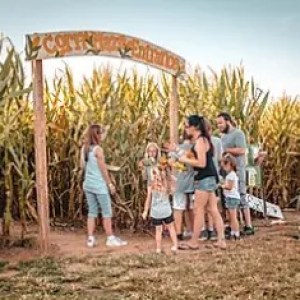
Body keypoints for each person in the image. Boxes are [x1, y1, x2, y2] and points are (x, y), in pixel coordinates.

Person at [178, 115, 226, 250]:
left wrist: (184, 160)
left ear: (194, 127)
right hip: (210, 177)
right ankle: (221, 240)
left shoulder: (200, 141)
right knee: (212, 209)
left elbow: (201, 162)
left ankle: (194, 241)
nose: (186, 129)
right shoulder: (204, 140)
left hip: (204, 178)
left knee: (198, 210)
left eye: (187, 126)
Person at [81, 124, 127, 248]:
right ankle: (110, 238)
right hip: (99, 186)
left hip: (88, 184)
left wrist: (106, 129)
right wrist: (110, 184)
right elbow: (103, 169)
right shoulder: (98, 150)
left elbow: (83, 167)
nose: (102, 136)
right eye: (100, 133)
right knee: (107, 212)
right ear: (97, 135)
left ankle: (90, 239)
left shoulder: (85, 149)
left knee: (92, 212)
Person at [216, 112, 254, 235]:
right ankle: (232, 224)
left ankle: (248, 225)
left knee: (241, 195)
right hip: (225, 172)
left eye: (221, 123)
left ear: (228, 121)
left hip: (237, 171)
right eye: (218, 123)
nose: (219, 125)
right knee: (226, 198)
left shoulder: (238, 134)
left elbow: (242, 150)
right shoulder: (222, 137)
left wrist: (225, 150)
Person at [142, 162, 178, 254]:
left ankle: (158, 248)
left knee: (159, 230)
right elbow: (173, 185)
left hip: (157, 212)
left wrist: (146, 211)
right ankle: (174, 245)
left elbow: (148, 199)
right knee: (170, 228)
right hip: (165, 211)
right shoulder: (165, 184)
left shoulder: (152, 186)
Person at [199, 119, 223, 241]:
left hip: (204, 176)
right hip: (214, 176)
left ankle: (204, 230)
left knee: (203, 206)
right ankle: (212, 230)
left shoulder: (201, 142)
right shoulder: (217, 141)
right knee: (212, 206)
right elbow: (220, 158)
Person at [167, 134, 194, 240]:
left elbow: (170, 162)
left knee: (178, 207)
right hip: (193, 182)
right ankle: (192, 230)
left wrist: (178, 166)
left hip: (180, 182)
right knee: (191, 207)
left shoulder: (177, 148)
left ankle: (178, 232)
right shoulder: (194, 147)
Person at [220, 154, 241, 240]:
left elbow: (229, 187)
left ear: (230, 165)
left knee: (233, 217)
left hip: (232, 197)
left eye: (225, 165)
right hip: (230, 197)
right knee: (230, 216)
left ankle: (236, 233)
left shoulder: (231, 175)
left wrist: (222, 185)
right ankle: (233, 231)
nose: (224, 167)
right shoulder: (230, 175)